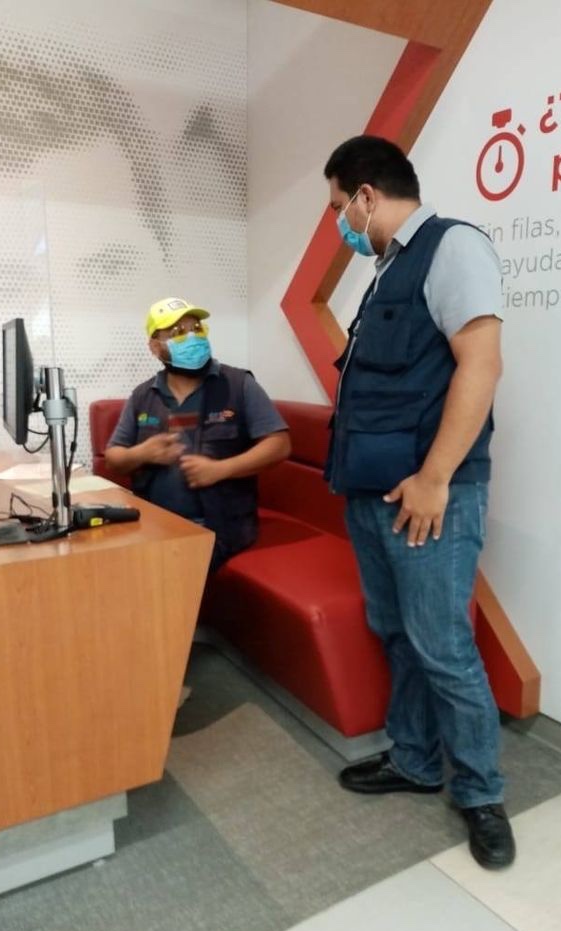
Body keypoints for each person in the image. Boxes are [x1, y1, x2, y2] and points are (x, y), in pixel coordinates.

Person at [323, 135, 514, 869]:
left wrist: (435, 478)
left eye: (339, 207)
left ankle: (481, 793)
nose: (339, 222)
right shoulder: (386, 268)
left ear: (366, 196)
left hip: (429, 496)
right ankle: (415, 759)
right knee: (398, 635)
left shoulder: (453, 247)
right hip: (374, 492)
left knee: (443, 648)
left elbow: (481, 364)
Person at [105, 296, 290, 573]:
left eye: (197, 328)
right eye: (178, 332)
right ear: (155, 347)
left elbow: (279, 444)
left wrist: (222, 469)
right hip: (152, 523)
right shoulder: (143, 396)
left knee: (161, 573)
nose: (192, 337)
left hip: (218, 527)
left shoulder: (238, 384)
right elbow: (114, 458)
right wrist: (141, 453)